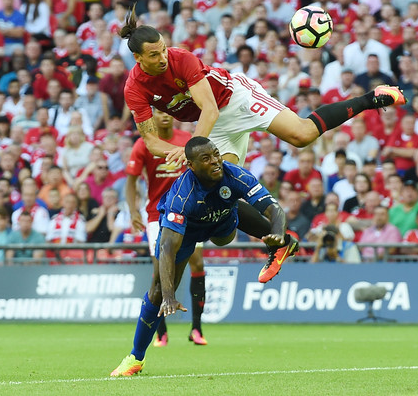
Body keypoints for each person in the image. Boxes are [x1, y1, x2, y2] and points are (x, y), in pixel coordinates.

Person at [119, 7, 405, 167]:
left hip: (234, 99)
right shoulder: (134, 88)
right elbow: (150, 140)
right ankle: (275, 240)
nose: (163, 58)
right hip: (210, 125)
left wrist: (190, 148)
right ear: (138, 58)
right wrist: (174, 150)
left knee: (301, 135)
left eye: (164, 50)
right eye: (154, 55)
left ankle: (371, 98)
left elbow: (209, 109)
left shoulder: (181, 58)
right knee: (220, 178)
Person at [111, 137, 298, 377]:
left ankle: (282, 245)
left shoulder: (235, 174)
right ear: (191, 165)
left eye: (216, 154)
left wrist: (279, 233)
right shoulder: (181, 195)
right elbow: (167, 248)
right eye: (206, 158)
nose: (215, 161)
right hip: (187, 232)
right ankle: (135, 357)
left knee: (231, 203)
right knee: (157, 290)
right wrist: (170, 296)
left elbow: (274, 208)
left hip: (223, 226)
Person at [124, 110, 207, 346]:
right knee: (161, 270)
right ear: (150, 118)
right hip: (157, 214)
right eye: (158, 112)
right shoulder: (143, 145)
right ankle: (161, 332)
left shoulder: (186, 141)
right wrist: (133, 211)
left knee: (198, 262)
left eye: (167, 112)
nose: (164, 116)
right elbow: (131, 181)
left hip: (190, 212)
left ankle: (196, 328)